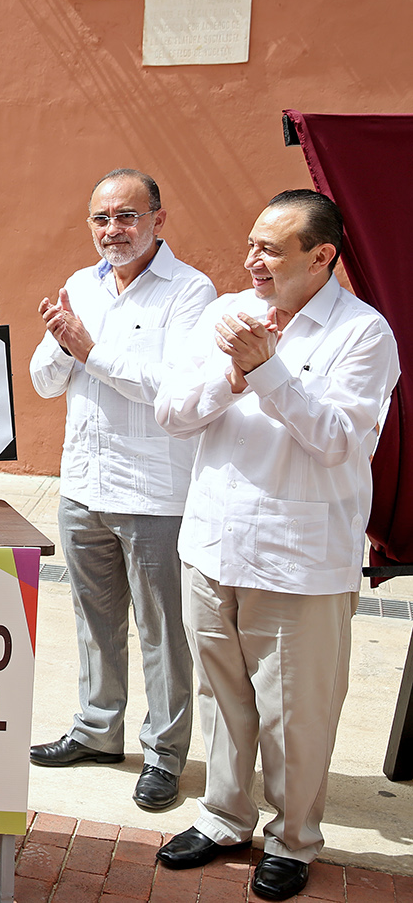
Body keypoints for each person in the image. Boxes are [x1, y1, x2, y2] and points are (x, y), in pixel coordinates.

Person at [153, 190, 399, 902]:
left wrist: (268, 368)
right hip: (210, 540)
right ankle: (224, 817)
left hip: (299, 554)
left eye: (269, 249)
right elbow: (171, 412)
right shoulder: (223, 312)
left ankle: (293, 838)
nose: (250, 260)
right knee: (221, 696)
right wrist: (234, 373)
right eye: (251, 243)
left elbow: (336, 441)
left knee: (295, 710)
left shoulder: (362, 333)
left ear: (321, 256)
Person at [28, 169, 216, 813]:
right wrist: (62, 345)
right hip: (83, 480)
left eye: (128, 216)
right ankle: (97, 730)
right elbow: (45, 381)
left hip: (156, 489)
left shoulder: (192, 293)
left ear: (158, 220)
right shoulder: (82, 284)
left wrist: (90, 347)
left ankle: (165, 754)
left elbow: (173, 386)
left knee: (163, 629)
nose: (114, 230)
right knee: (92, 620)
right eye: (102, 219)